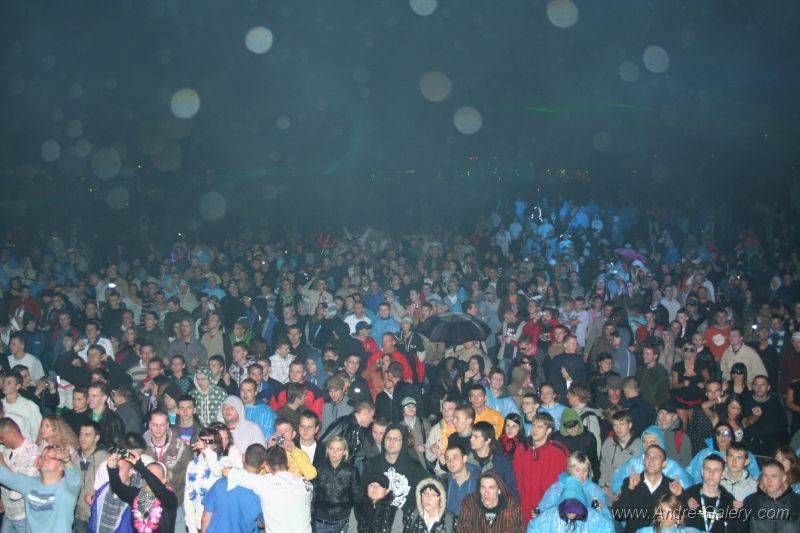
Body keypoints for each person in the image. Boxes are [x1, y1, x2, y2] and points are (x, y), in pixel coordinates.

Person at [224, 445, 314, 533]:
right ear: (288, 463)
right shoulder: (306, 484)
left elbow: (226, 471)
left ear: (266, 467)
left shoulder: (264, 483)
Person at [0, 444, 80, 533]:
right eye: (43, 456)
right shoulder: (29, 483)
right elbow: (4, 475)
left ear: (62, 466)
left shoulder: (67, 488)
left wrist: (67, 460)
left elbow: (75, 481)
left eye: (52, 456)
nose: (46, 458)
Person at [612, 444, 684, 532]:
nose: (651, 460)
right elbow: (619, 515)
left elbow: (684, 518)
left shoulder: (672, 487)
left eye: (656, 457)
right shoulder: (630, 482)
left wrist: (680, 495)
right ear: (643, 461)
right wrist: (629, 489)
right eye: (648, 456)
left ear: (664, 464)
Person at [361, 424, 428, 517]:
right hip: (375, 519)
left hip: (404, 520)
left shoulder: (414, 467)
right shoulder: (372, 464)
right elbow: (362, 493)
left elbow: (431, 486)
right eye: (388, 438)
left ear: (403, 442)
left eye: (396, 439)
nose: (391, 442)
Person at [512, 412, 569, 521]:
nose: (534, 430)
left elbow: (564, 484)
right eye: (533, 425)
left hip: (548, 510)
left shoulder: (558, 453)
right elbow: (515, 478)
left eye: (539, 427)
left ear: (549, 430)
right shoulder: (521, 449)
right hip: (524, 508)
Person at [107, 448, 179, 533]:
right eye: (146, 476)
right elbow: (117, 488)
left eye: (153, 475)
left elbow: (158, 488)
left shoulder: (169, 498)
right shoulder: (138, 495)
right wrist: (112, 469)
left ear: (164, 480)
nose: (148, 480)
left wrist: (140, 467)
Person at [610, 426, 694, 496]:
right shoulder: (633, 463)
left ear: (661, 443)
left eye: (652, 442)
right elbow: (617, 487)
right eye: (645, 442)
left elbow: (688, 490)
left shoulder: (672, 466)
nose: (647, 445)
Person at [199, 442, 264, 533]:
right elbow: (262, 523)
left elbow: (205, 520)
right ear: (263, 464)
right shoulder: (261, 492)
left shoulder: (220, 483)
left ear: (243, 457)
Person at [537, 451, 611, 521]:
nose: (581, 474)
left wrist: (600, 513)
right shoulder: (558, 488)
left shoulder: (595, 490)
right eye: (577, 470)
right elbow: (543, 511)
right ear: (570, 470)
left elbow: (607, 520)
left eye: (584, 470)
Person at [527, 475, 614, 533]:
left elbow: (607, 528)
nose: (572, 513)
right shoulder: (551, 515)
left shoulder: (592, 517)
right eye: (568, 509)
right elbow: (534, 528)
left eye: (576, 509)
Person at [0, 416, 41, 533]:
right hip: (9, 514)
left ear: (12, 434)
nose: (0, 441)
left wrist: (1, 463)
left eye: (1, 438)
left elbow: (18, 486)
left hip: (24, 516)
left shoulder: (32, 453)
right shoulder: (7, 450)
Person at [681, 455, 742, 533]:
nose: (711, 473)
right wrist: (685, 507)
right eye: (708, 469)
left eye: (716, 470)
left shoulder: (728, 500)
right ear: (702, 472)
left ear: (722, 474)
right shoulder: (688, 495)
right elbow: (673, 523)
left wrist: (738, 515)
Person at [312, 436, 360, 533]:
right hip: (321, 521)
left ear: (344, 452)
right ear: (327, 450)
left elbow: (357, 497)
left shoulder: (351, 470)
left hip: (344, 521)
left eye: (338, 449)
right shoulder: (318, 468)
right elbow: (313, 494)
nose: (334, 452)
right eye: (331, 448)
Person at [687, 421, 760, 484]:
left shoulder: (743, 453)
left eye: (727, 433)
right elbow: (691, 476)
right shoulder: (704, 454)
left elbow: (756, 477)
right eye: (718, 433)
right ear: (715, 436)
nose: (722, 436)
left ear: (731, 437)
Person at [742, 460, 800, 533]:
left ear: (784, 478)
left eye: (774, 476)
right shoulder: (751, 501)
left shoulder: (797, 502)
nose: (769, 480)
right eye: (765, 475)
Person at [456, 471, 525, 533]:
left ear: (499, 490)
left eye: (491, 488)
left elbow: (519, 530)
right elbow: (462, 529)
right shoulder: (469, 503)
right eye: (483, 487)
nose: (486, 493)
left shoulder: (512, 506)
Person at [184, 427, 223, 533]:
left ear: (216, 445)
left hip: (218, 524)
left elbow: (217, 471)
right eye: (202, 441)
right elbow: (188, 498)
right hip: (198, 523)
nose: (204, 444)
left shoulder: (224, 461)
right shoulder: (192, 465)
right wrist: (191, 528)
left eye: (208, 442)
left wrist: (207, 450)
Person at [74, 421, 110, 533]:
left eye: (87, 435)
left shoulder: (106, 460)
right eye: (81, 434)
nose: (82, 438)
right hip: (76, 515)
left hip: (95, 516)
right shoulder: (73, 457)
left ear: (96, 438)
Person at [742, 374, 788, 455]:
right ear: (752, 387)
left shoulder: (775, 403)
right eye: (756, 384)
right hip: (750, 444)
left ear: (768, 387)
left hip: (770, 445)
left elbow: (782, 426)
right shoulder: (746, 400)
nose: (759, 388)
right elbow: (743, 424)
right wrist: (754, 417)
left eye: (762, 385)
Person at [321, 400, 375, 468]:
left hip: (345, 470)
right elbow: (323, 444)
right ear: (365, 412)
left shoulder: (360, 431)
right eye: (372, 416)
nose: (372, 420)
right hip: (332, 470)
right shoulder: (344, 423)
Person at [551, 409, 599, 482]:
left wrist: (596, 479)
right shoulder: (556, 439)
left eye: (575, 426)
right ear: (564, 427)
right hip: (564, 477)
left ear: (579, 424)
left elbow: (594, 460)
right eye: (570, 428)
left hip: (583, 476)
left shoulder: (588, 437)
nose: (573, 430)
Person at [598, 409, 641, 489]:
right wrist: (602, 485)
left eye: (622, 424)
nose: (618, 428)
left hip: (629, 490)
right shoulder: (608, 443)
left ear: (630, 425)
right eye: (615, 425)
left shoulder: (639, 446)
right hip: (609, 490)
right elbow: (603, 467)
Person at [442, 442, 481, 517]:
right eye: (447, 458)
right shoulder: (444, 482)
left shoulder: (480, 482)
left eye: (455, 457)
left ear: (464, 459)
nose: (451, 462)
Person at [1, 372, 42, 442]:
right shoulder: (1, 404)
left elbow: (37, 430)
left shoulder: (29, 405)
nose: (4, 385)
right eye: (4, 382)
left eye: (8, 383)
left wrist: (31, 445)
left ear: (18, 386)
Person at [87, 381, 126, 449]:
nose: (89, 399)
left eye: (94, 396)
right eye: (88, 395)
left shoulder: (113, 421)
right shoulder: (85, 415)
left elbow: (117, 446)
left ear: (104, 398)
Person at [635, 493, 700, 533]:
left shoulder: (689, 531)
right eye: (663, 511)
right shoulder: (644, 531)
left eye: (670, 512)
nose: (666, 516)